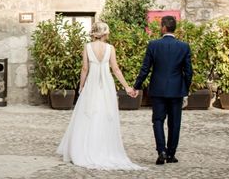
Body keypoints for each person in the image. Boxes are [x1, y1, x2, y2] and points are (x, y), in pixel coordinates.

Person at [56, 21, 143, 170]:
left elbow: (84, 68)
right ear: (104, 33)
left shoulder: (88, 47)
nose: (109, 34)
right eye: (107, 31)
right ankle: (103, 148)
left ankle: (85, 148)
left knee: (88, 114)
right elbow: (115, 69)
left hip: (92, 83)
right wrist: (127, 87)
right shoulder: (110, 48)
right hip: (106, 84)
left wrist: (81, 86)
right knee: (105, 113)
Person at [132, 15, 193, 165]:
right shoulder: (184, 47)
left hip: (158, 90)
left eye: (160, 26)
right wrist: (185, 88)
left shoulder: (153, 45)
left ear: (164, 28)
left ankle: (162, 151)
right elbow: (189, 72)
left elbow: (145, 69)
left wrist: (136, 86)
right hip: (177, 90)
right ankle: (171, 154)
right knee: (175, 123)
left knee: (158, 120)